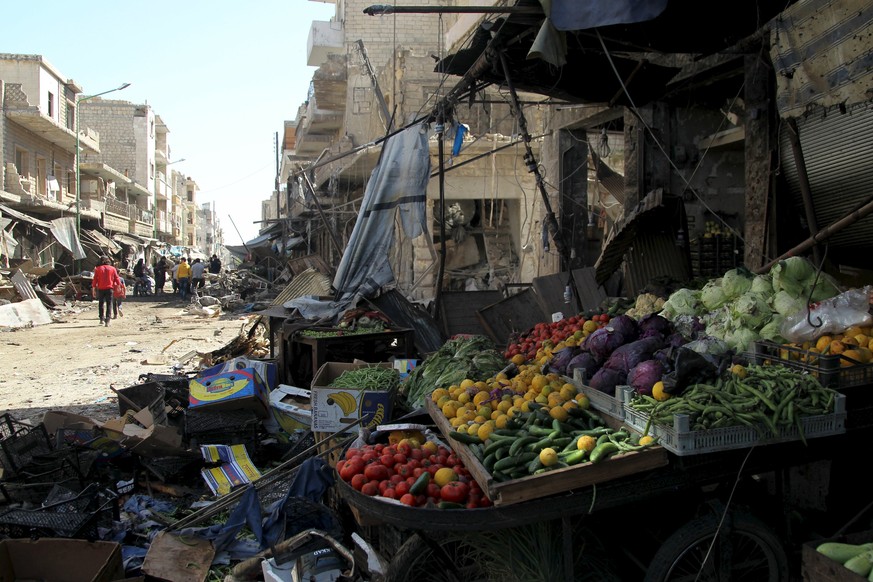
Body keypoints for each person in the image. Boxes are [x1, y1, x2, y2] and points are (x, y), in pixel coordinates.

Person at [92, 256, 121, 327]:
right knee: (109, 304)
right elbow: (117, 278)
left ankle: (101, 319)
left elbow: (95, 279)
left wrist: (93, 289)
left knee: (101, 303)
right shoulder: (113, 269)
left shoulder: (98, 269)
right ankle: (107, 321)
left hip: (101, 288)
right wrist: (119, 287)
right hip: (109, 289)